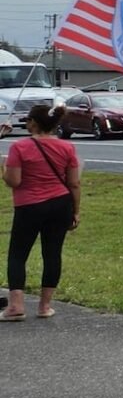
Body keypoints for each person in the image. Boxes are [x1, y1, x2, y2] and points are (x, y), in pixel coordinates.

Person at [2, 104, 81, 322]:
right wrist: (76, 211)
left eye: (27, 119)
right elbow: (74, 183)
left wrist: (3, 169)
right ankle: (45, 306)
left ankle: (16, 306)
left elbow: (14, 181)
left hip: (29, 205)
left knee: (18, 254)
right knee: (52, 253)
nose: (25, 123)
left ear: (34, 123)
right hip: (60, 203)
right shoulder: (67, 148)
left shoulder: (20, 147)